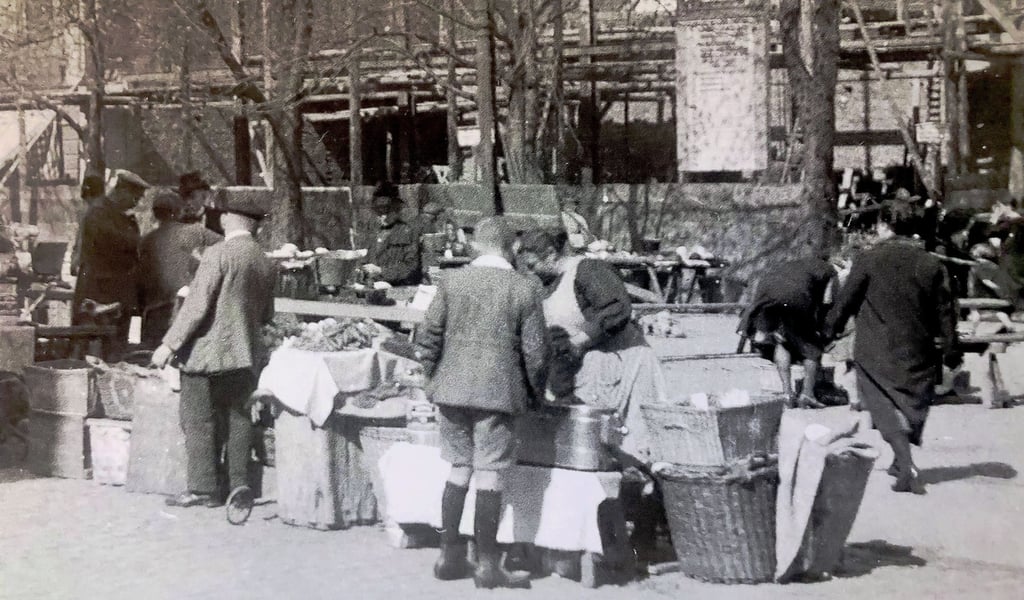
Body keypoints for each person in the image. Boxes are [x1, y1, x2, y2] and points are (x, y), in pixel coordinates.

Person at [414, 216, 549, 589]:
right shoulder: (525, 289)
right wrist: (536, 394)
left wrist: (430, 379)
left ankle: (448, 557)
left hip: (450, 390)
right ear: (514, 247)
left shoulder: (450, 282)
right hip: (498, 394)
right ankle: (488, 565)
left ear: (475, 245)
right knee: (488, 474)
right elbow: (536, 354)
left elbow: (428, 337)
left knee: (459, 468)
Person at [515, 228, 666, 558]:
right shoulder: (545, 283)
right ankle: (601, 532)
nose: (530, 272)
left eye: (532, 265)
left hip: (624, 364)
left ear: (552, 257)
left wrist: (581, 341)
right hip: (589, 368)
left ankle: (644, 533)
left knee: (636, 447)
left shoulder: (588, 271)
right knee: (595, 451)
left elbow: (617, 308)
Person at [151, 191, 277, 509]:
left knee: (198, 420)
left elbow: (196, 307)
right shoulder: (264, 260)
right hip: (246, 354)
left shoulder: (217, 253)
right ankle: (239, 486)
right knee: (239, 419)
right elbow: (266, 315)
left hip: (205, 356)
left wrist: (168, 345)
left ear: (225, 219)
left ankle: (203, 489)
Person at [825, 200, 959, 494]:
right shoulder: (931, 262)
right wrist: (951, 348)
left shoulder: (868, 259)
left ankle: (904, 460)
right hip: (919, 350)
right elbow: (946, 310)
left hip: (876, 350)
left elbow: (845, 302)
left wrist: (829, 329)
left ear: (884, 226)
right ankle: (902, 458)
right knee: (912, 404)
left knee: (880, 404)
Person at [738, 253, 838, 408]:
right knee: (812, 347)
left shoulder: (792, 262)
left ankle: (787, 394)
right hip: (795, 296)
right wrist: (822, 327)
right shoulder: (829, 269)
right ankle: (807, 394)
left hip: (766, 292)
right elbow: (828, 301)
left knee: (782, 341)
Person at [73, 169, 150, 355]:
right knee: (95, 351)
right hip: (99, 294)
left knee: (117, 349)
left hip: (117, 295)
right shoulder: (98, 213)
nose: (136, 203)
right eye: (135, 197)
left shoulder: (121, 216)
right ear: (122, 190)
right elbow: (119, 243)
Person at [137, 189, 222, 347]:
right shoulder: (196, 232)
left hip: (155, 311)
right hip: (185, 309)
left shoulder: (146, 241)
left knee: (152, 360)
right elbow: (226, 245)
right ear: (178, 211)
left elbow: (141, 279)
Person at [363, 182, 422, 286]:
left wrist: (381, 271)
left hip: (398, 288)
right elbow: (363, 259)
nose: (382, 214)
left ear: (397, 208)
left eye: (386, 208)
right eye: (378, 208)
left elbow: (411, 267)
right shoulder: (371, 230)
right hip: (371, 286)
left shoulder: (407, 231)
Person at [70, 173, 106, 277]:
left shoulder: (93, 214)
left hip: (92, 268)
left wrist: (75, 261)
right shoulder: (94, 211)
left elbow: (83, 241)